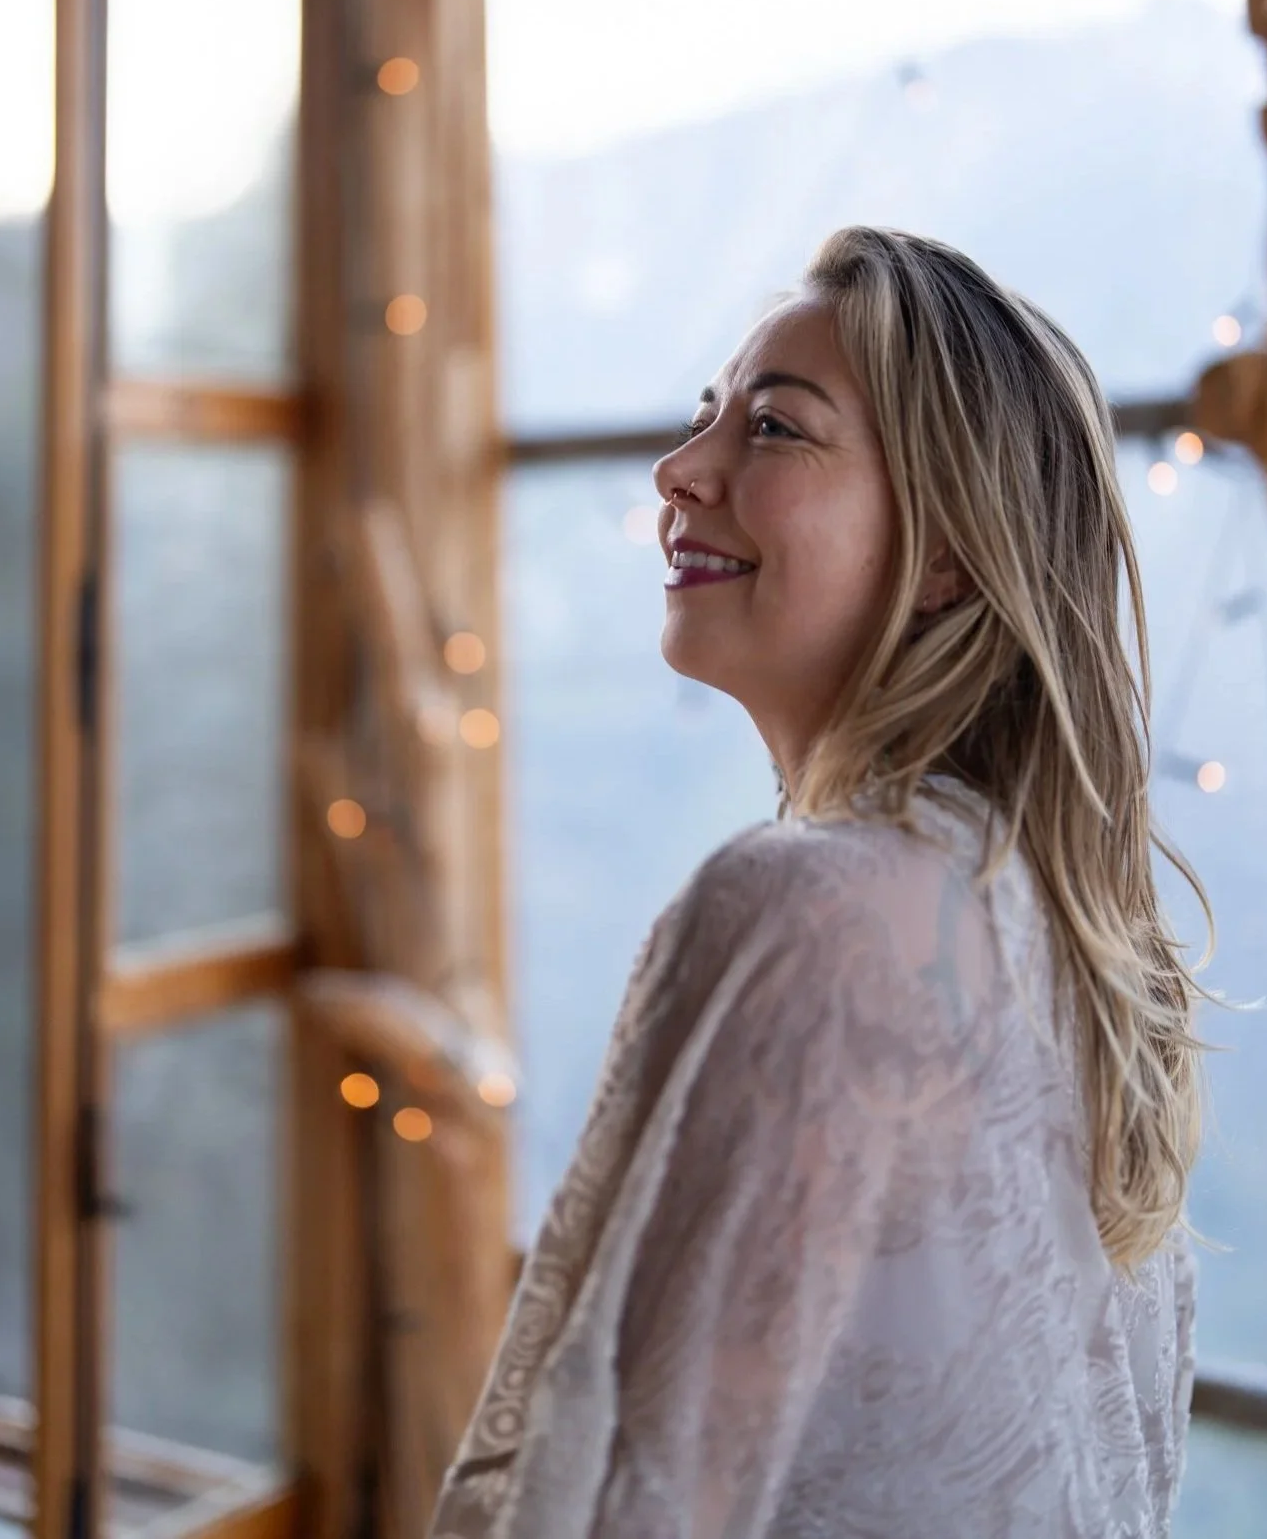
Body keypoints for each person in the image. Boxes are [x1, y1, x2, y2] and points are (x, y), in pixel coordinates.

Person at [427, 226, 1221, 1538]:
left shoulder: (814, 910)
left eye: (775, 430)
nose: (681, 471)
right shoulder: (1087, 941)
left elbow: (638, 1499)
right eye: (706, 417)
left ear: (951, 549)